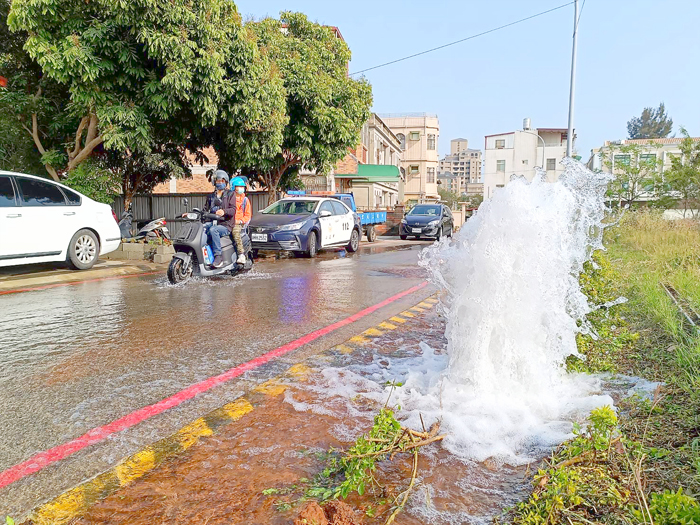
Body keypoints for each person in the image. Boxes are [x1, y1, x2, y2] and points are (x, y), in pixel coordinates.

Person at [203, 170, 234, 268]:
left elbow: (233, 210)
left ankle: (218, 257)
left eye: (222, 181)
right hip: (213, 222)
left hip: (226, 225)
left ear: (226, 182)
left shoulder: (230, 194)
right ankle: (205, 255)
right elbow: (205, 209)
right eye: (218, 181)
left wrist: (224, 211)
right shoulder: (211, 196)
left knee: (213, 230)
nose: (220, 183)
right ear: (214, 182)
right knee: (202, 228)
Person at [229, 176, 252, 264]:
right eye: (239, 186)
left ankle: (241, 254)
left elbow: (248, 216)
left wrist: (240, 221)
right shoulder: (228, 199)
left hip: (238, 224)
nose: (241, 188)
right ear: (233, 188)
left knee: (235, 232)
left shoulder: (245, 200)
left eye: (242, 187)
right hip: (228, 222)